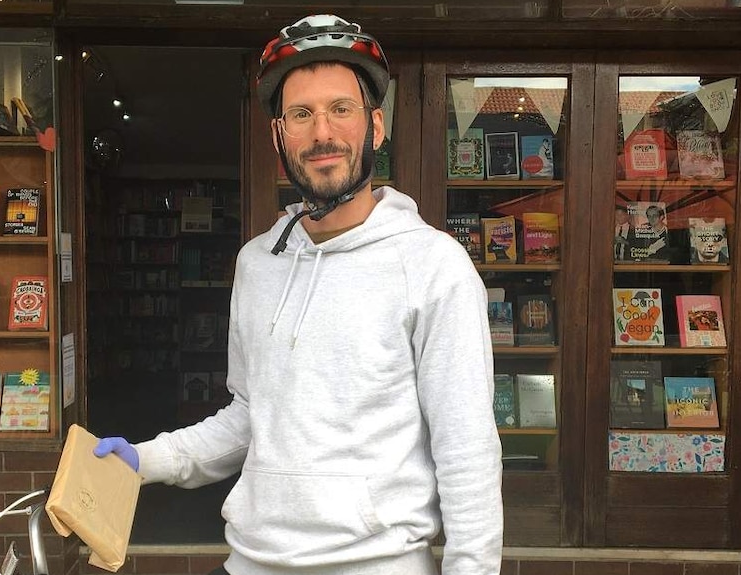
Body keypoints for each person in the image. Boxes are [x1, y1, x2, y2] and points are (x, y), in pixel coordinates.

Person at [94, 14, 503, 575]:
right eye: (301, 114)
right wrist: (147, 458)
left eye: (341, 109)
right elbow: (250, 416)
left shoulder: (432, 265)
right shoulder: (258, 263)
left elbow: (468, 451)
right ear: (278, 135)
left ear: (376, 126)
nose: (322, 133)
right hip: (251, 560)